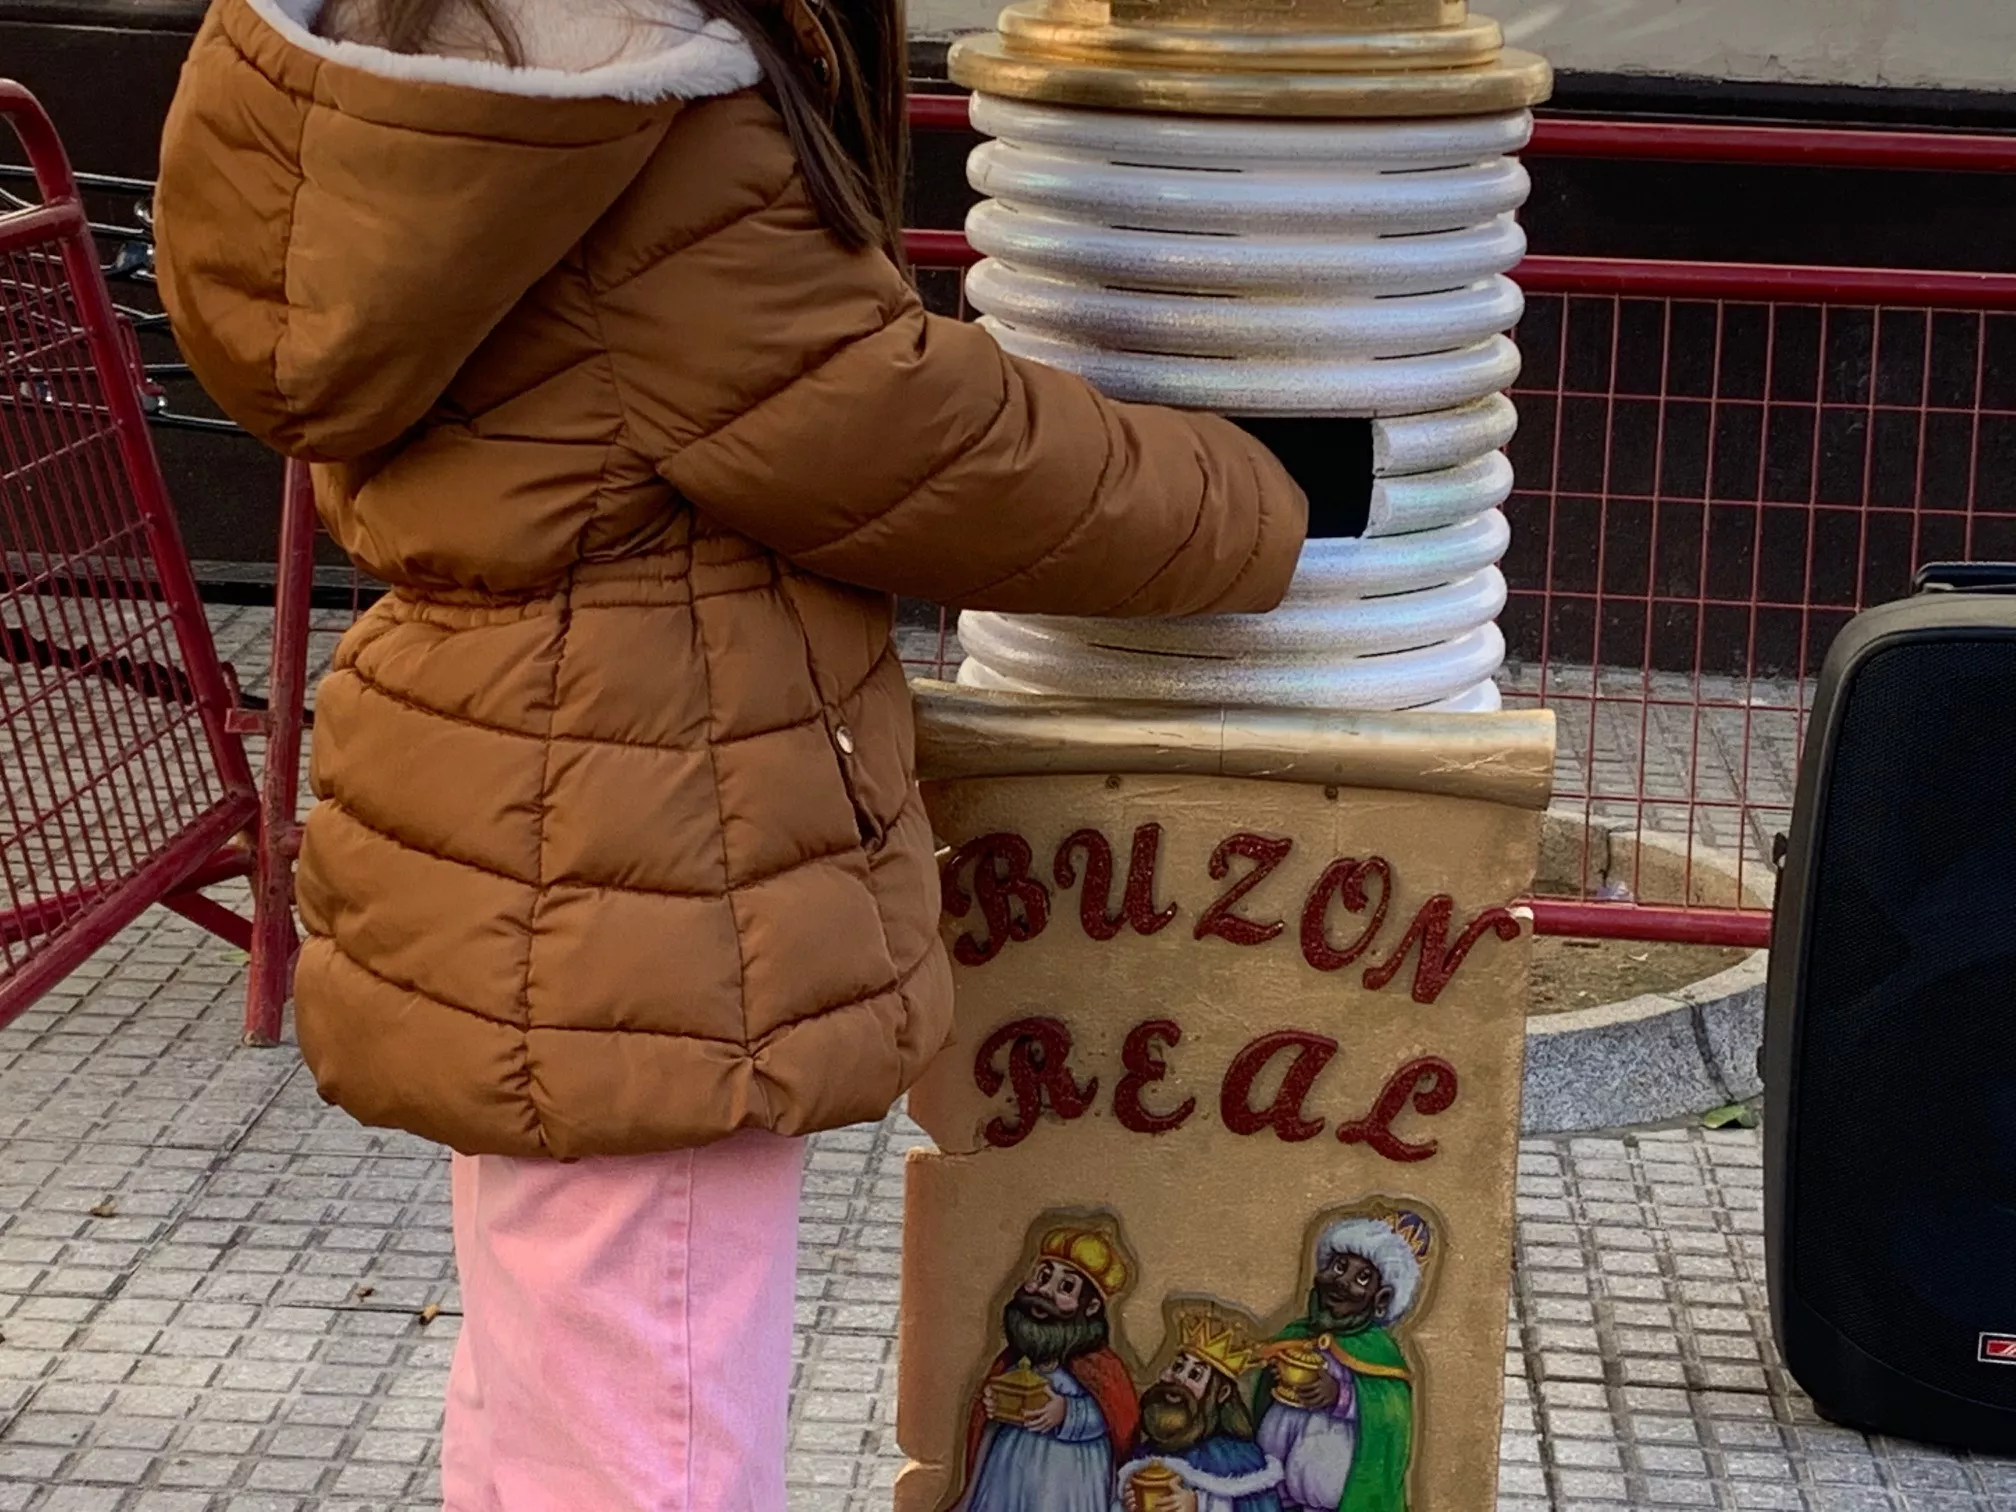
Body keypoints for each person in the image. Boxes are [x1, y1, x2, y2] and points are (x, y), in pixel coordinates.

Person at [151, 0, 1312, 1505]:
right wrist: (1270, 493)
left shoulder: (435, 63)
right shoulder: (652, 112)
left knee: (549, 1395)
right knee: (654, 1426)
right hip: (658, 860)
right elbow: (910, 437)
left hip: (519, 812)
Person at [1251, 1215, 1430, 1512]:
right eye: (1339, 1267)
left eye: (1362, 1278)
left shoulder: (1378, 1352)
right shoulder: (1299, 1332)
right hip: (1276, 1489)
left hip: (1328, 1494)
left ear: (1381, 1299)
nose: (1342, 1282)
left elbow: (1390, 1415)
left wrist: (1340, 1395)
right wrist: (1277, 1373)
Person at [956, 1227, 1141, 1512]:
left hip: (1071, 1475)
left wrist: (1068, 1413)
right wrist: (995, 1405)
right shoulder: (1014, 1359)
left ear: (1090, 1307)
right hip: (1009, 1469)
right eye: (1043, 1277)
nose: (1045, 1291)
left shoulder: (1100, 1367)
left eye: (1066, 1287)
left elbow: (1115, 1415)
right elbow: (989, 1414)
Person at [1116, 1311, 1285, 1512]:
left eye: (1195, 1374)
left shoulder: (1239, 1461)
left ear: (1221, 1393)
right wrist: (1128, 1504)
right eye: (1178, 1366)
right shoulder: (1149, 1452)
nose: (1179, 1379)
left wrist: (1200, 1506)